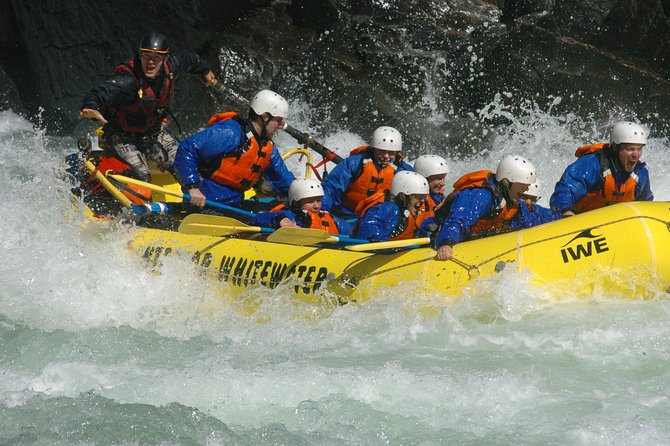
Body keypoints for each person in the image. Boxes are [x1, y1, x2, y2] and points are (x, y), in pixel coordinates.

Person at [80, 32, 217, 183]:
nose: (151, 62)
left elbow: (189, 59)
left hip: (153, 131)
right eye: (146, 56)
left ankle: (196, 200)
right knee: (142, 179)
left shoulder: (172, 66)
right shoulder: (128, 79)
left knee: (186, 167)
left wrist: (205, 70)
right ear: (140, 56)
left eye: (156, 58)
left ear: (164, 59)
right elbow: (102, 91)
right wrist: (91, 106)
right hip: (123, 136)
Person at [173, 89, 295, 211]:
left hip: (234, 205)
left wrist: (304, 197)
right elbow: (187, 149)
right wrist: (192, 187)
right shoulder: (230, 132)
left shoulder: (266, 146)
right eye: (278, 121)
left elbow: (283, 179)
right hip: (205, 204)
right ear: (265, 117)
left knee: (279, 211)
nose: (279, 126)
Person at [434, 154, 537, 260]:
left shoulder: (510, 197)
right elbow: (459, 219)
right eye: (523, 184)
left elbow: (533, 216)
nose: (526, 189)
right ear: (507, 182)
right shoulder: (481, 195)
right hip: (442, 235)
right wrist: (446, 242)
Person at [549, 121, 653, 216]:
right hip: (579, 218)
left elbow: (645, 205)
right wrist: (565, 210)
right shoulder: (593, 164)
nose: (636, 155)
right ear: (615, 148)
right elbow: (567, 189)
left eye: (639, 149)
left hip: (613, 225)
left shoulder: (640, 174)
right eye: (630, 149)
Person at [321, 126, 413, 218]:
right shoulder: (354, 163)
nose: (386, 156)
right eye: (382, 151)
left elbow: (416, 199)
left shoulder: (404, 172)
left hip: (382, 222)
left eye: (391, 152)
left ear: (397, 153)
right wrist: (321, 210)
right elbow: (331, 189)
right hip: (347, 217)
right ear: (374, 149)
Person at [253, 178, 353, 235]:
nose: (316, 206)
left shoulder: (329, 218)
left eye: (318, 201)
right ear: (296, 203)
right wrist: (280, 219)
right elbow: (259, 218)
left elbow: (352, 231)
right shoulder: (289, 216)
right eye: (310, 202)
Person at [354, 171, 429, 242]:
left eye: (424, 197)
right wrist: (379, 243)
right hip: (370, 251)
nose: (422, 201)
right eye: (418, 196)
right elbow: (370, 226)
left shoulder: (404, 212)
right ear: (402, 196)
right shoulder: (389, 207)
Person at [412, 154, 450, 229]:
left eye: (443, 178)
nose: (443, 183)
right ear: (424, 178)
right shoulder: (418, 200)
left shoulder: (438, 195)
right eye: (439, 178)